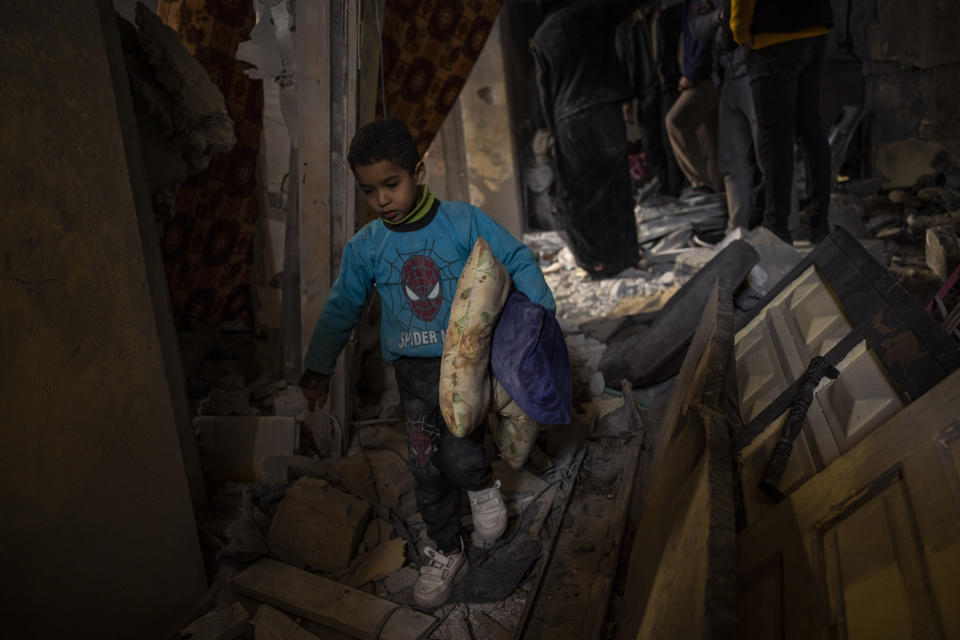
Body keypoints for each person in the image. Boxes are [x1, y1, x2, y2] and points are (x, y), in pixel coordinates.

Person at [298, 119, 556, 608]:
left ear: (418, 171)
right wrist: (318, 367)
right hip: (413, 377)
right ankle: (444, 548)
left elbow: (516, 259)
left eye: (391, 184)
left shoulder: (463, 222)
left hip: (467, 365)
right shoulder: (367, 246)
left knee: (460, 452)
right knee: (424, 468)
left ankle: (482, 489)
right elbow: (341, 309)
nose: (381, 200)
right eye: (368, 190)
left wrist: (544, 316)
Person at [532, 0, 639, 278]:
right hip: (603, 107)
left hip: (567, 120)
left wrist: (553, 129)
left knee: (583, 196)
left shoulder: (542, 37)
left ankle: (597, 261)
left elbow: (545, 92)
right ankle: (626, 256)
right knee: (616, 187)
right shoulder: (591, 11)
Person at [730, 0, 833, 243]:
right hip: (814, 27)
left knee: (775, 138)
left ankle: (776, 229)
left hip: (772, 34)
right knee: (811, 129)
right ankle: (819, 225)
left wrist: (739, 32)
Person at [691, 0, 761, 230]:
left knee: (770, 156)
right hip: (728, 77)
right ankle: (737, 228)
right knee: (732, 160)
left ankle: (783, 227)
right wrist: (719, 16)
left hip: (757, 71)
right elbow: (696, 27)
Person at [665, 0, 723, 197]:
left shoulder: (698, 4)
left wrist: (692, 73)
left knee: (675, 121)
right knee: (711, 139)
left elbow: (705, 37)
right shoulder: (688, 5)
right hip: (705, 76)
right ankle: (717, 194)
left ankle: (701, 184)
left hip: (705, 77)